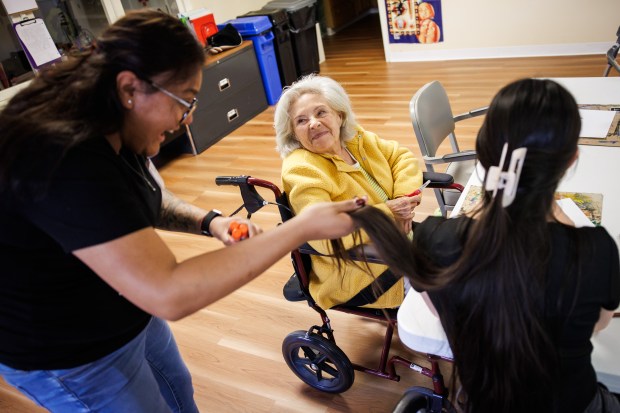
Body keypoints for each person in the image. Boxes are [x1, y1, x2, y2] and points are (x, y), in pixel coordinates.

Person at [0, 10, 363, 413]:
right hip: (71, 351)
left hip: (126, 307)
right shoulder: (65, 158)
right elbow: (168, 292)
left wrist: (210, 222)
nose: (187, 117)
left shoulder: (115, 125)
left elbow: (145, 199)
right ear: (128, 88)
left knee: (177, 393)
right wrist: (298, 230)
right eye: (185, 99)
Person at [336, 78, 620, 413]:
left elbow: (441, 312)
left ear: (484, 155)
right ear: (571, 158)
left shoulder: (437, 239)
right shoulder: (596, 251)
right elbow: (599, 325)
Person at [274, 74, 423, 310]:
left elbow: (400, 156)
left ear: (339, 115)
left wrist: (402, 201)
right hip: (363, 268)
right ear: (293, 133)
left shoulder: (354, 138)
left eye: (321, 112)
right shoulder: (301, 169)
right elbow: (325, 236)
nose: (313, 123)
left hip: (398, 236)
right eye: (301, 120)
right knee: (454, 286)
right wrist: (388, 213)